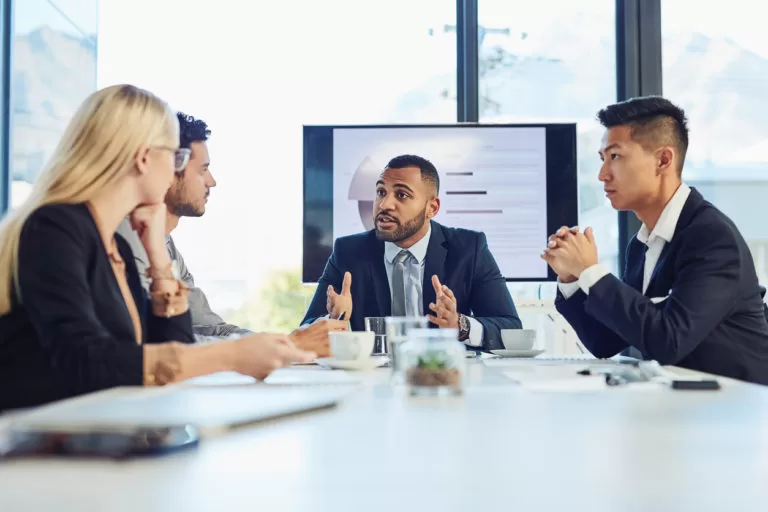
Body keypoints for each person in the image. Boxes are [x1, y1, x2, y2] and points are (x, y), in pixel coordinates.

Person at [0, 85, 315, 412]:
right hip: (32, 444)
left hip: (90, 431)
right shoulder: (55, 228)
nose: (176, 169)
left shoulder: (117, 243)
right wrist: (231, 356)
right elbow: (84, 359)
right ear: (144, 158)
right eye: (175, 156)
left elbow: (166, 351)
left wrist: (158, 259)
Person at [543, 96, 768, 384]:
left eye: (615, 156)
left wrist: (591, 271)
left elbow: (669, 341)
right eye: (602, 158)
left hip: (737, 410)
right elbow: (605, 341)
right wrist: (572, 279)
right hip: (682, 408)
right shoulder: (642, 245)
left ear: (663, 160)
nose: (602, 175)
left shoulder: (712, 238)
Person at [117, 111, 346, 353]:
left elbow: (207, 326)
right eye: (202, 170)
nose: (212, 181)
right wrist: (287, 345)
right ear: (170, 169)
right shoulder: (126, 239)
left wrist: (285, 343)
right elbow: (163, 341)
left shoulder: (166, 245)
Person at [301, 154, 521, 351]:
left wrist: (459, 324)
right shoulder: (348, 252)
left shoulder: (468, 248)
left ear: (432, 208)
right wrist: (332, 319)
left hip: (443, 380)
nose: (384, 204)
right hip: (374, 385)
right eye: (381, 192)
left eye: (402, 195)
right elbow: (306, 328)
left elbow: (510, 328)